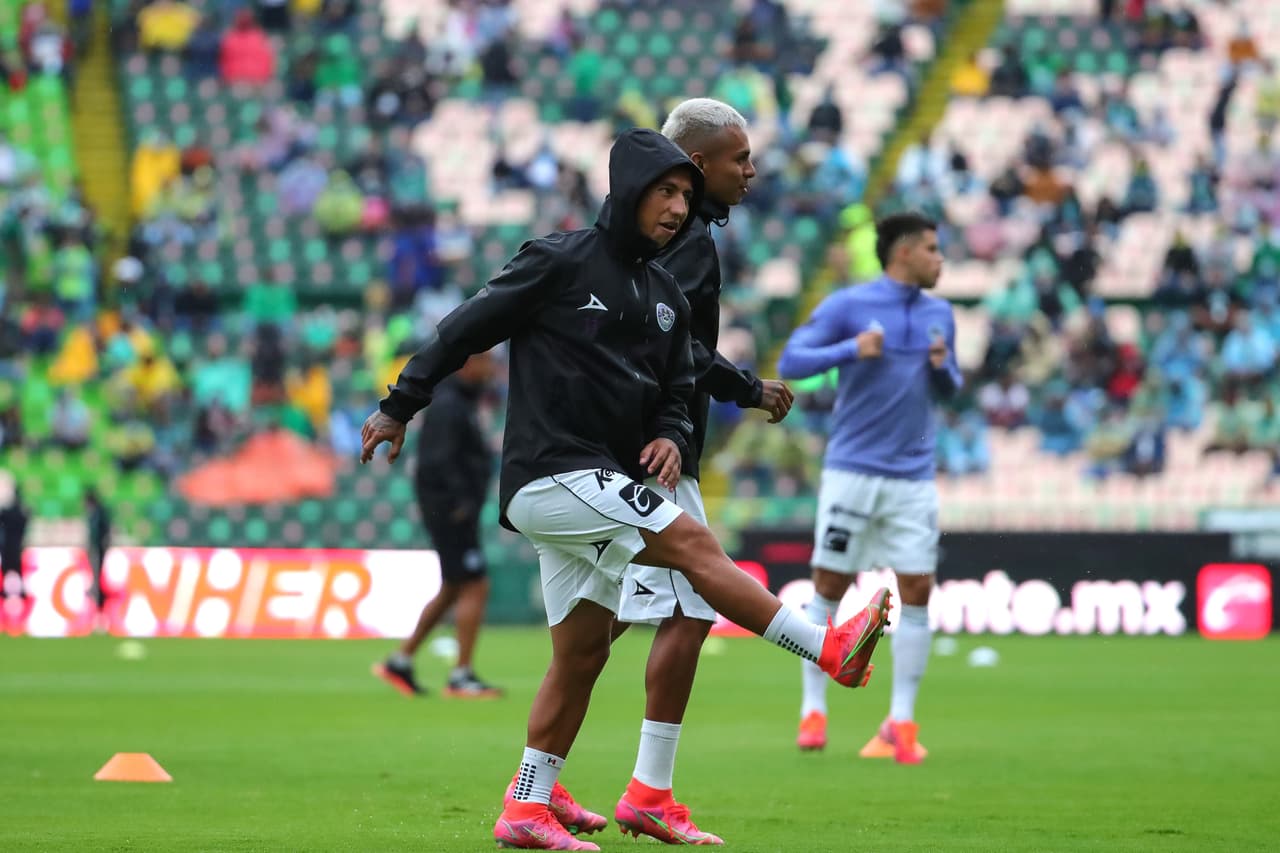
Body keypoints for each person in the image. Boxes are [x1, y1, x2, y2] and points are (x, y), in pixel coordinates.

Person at [360, 128, 893, 851]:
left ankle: (527, 805)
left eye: (684, 194)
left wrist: (674, 432)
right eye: (664, 191)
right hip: (552, 471)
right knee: (693, 545)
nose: (677, 207)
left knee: (582, 654)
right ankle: (825, 646)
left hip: (593, 484)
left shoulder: (665, 293)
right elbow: (463, 329)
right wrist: (399, 405)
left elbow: (679, 385)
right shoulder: (559, 259)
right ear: (628, 191)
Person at [610, 98, 795, 846]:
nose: (750, 170)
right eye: (737, 158)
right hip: (658, 447)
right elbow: (671, 345)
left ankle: (545, 784)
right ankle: (639, 791)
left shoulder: (664, 233)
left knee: (608, 619)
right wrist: (747, 389)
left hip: (636, 440)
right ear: (695, 165)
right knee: (679, 608)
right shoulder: (687, 239)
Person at [778, 211, 961, 765]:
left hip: (912, 477)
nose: (940, 258)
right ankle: (814, 709)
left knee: (920, 592)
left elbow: (950, 389)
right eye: (931, 248)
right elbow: (791, 360)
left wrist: (942, 368)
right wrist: (849, 350)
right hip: (852, 470)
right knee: (829, 586)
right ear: (903, 253)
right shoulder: (849, 306)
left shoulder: (941, 314)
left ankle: (902, 722)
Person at [373, 350, 503, 699]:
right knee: (475, 585)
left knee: (453, 588)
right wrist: (460, 503)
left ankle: (400, 661)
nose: (492, 367)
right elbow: (438, 461)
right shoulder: (450, 405)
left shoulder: (458, 401)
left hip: (452, 509)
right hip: (451, 511)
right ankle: (461, 674)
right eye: (486, 359)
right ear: (467, 362)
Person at [85, 489, 111, 614]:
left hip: (98, 550)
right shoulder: (97, 513)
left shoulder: (98, 514)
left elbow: (100, 533)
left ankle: (100, 610)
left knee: (98, 580)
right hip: (97, 549)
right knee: (96, 580)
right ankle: (98, 609)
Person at [0, 488, 29, 600]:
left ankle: (6, 590)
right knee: (16, 568)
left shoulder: (7, 513)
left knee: (9, 568)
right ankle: (19, 591)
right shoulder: (21, 513)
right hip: (16, 546)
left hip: (8, 545)